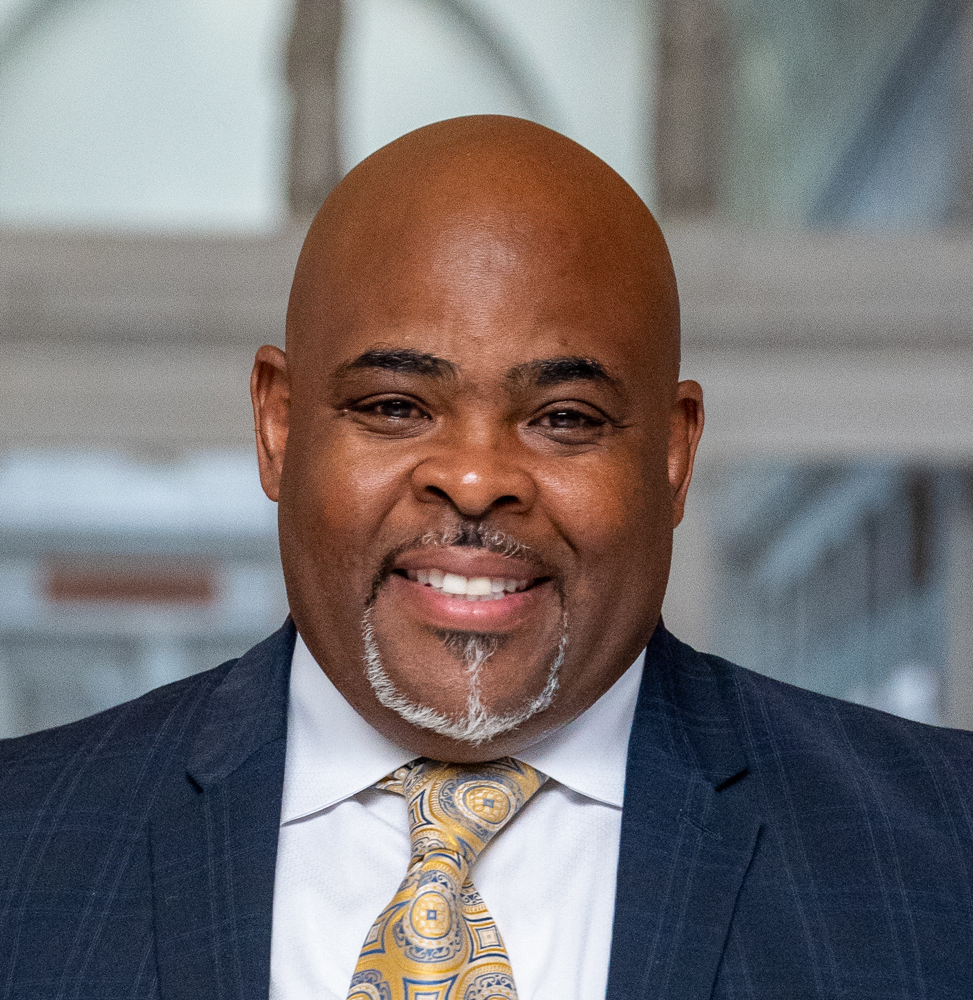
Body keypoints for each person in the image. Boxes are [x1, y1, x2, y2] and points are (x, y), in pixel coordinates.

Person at [1, 115, 972, 1000]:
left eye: (563, 418)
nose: (473, 479)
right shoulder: (23, 846)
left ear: (672, 454)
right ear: (278, 424)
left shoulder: (944, 851)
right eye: (393, 405)